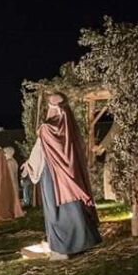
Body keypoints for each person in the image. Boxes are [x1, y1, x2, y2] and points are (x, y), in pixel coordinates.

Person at [23, 92, 102, 260]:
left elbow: (40, 150)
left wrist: (30, 165)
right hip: (70, 177)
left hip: (52, 175)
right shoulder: (69, 126)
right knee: (74, 206)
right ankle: (82, 243)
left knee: (56, 210)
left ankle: (63, 248)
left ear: (50, 107)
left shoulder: (46, 128)